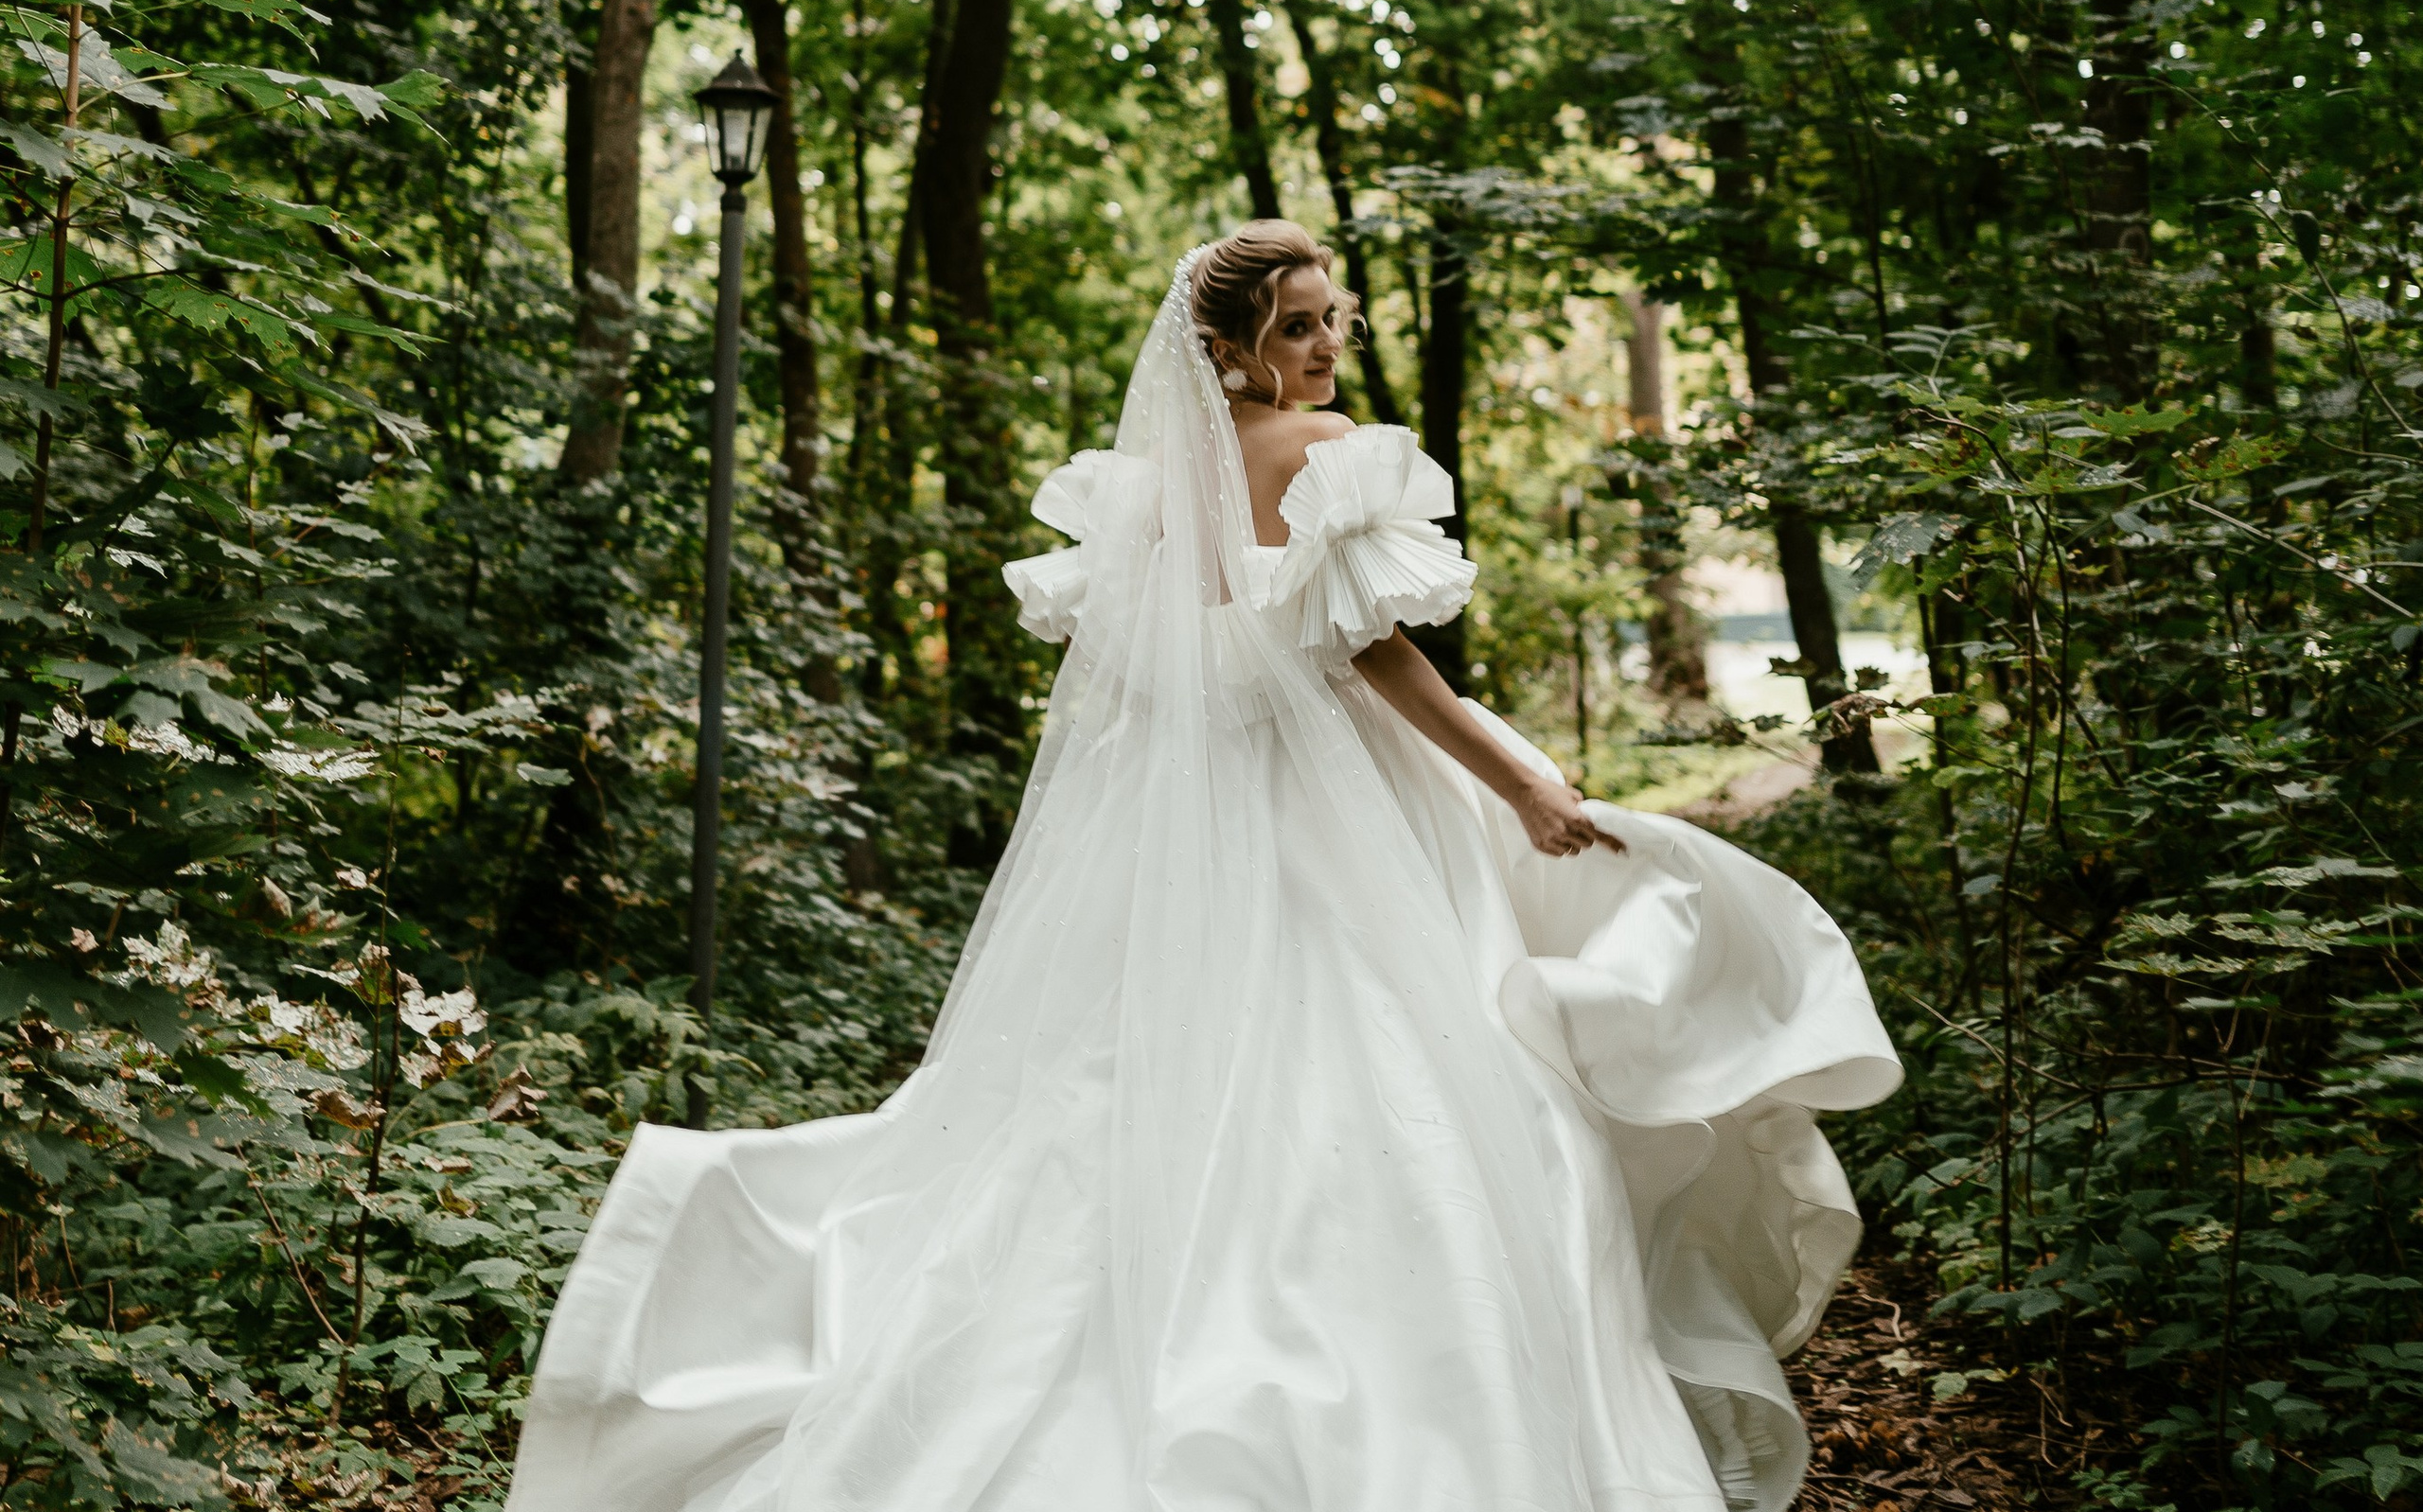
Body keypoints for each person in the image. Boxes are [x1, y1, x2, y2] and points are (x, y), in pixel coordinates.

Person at [506, 221, 1900, 1512]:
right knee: (1426, 1079)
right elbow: (1375, 652)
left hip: (1199, 806)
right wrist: (1522, 776)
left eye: (1329, 324)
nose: (1321, 351)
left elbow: (1138, 673)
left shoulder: (1152, 484)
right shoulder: (1318, 448)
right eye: (1295, 327)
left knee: (1149, 1089)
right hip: (1332, 804)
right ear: (1224, 346)